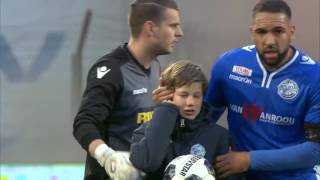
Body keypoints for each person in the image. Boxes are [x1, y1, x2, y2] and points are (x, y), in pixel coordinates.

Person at [204, 0, 320, 179]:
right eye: (261, 32)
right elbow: (202, 121)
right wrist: (172, 106)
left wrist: (249, 159)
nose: (270, 41)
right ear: (252, 33)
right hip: (241, 176)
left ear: (291, 32)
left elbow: (316, 150)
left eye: (278, 31)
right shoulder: (228, 64)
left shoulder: (315, 77)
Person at [73, 0, 183, 179]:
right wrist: (108, 157)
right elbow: (84, 123)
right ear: (151, 28)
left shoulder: (156, 68)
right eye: (173, 26)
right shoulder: (111, 70)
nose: (180, 33)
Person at [130, 60, 236, 179]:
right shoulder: (145, 132)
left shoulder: (220, 136)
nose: (190, 103)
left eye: (196, 96)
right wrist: (165, 110)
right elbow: (147, 163)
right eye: (183, 95)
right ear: (168, 95)